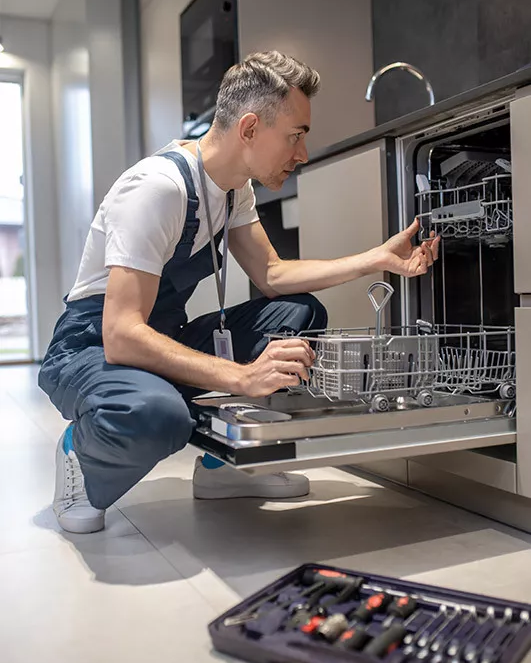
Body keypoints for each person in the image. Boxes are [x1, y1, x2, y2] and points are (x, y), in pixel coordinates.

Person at [38, 51, 439, 534]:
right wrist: (240, 377)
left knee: (296, 314)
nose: (302, 154)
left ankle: (220, 469)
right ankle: (80, 454)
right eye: (295, 137)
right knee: (159, 416)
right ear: (249, 129)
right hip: (92, 349)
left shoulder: (233, 188)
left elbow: (271, 274)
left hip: (160, 336)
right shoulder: (156, 189)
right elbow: (122, 334)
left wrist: (377, 258)